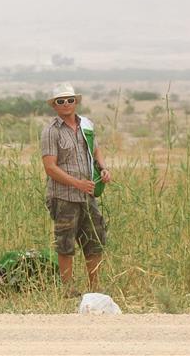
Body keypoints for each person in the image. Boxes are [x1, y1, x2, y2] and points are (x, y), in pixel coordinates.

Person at [40, 82, 111, 297]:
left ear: (75, 102)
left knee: (94, 240)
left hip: (88, 194)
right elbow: (50, 167)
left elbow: (95, 149)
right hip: (63, 196)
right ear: (54, 105)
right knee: (65, 242)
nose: (66, 104)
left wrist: (103, 168)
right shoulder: (50, 132)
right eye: (60, 101)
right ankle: (67, 289)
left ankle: (94, 287)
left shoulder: (87, 126)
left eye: (70, 100)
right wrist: (76, 182)